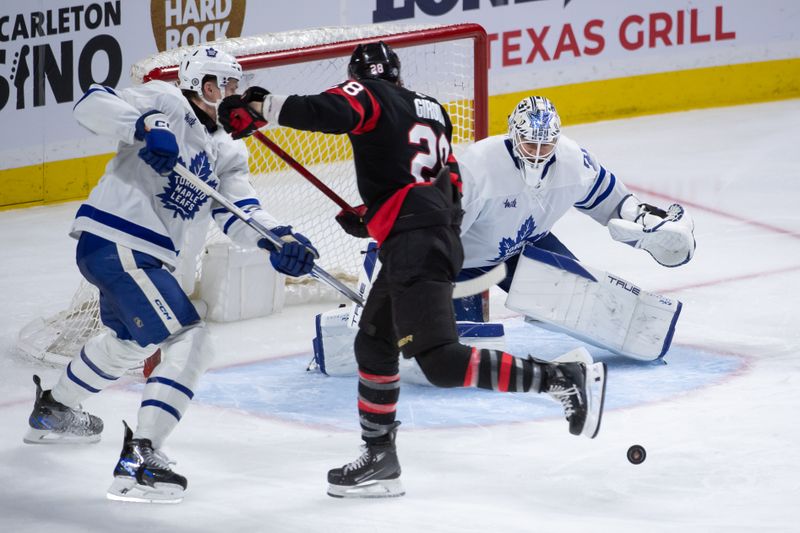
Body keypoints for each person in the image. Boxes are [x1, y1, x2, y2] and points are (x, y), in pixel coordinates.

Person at [218, 41, 607, 499]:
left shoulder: (370, 93)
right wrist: (377, 216)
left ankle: (561, 380)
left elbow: (332, 110)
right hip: (429, 235)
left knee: (441, 360)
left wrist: (262, 107)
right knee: (374, 341)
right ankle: (380, 456)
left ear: (361, 76)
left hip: (416, 244)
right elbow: (449, 185)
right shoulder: (434, 112)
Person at [23, 45, 318, 503]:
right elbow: (92, 102)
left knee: (132, 340)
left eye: (236, 85)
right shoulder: (165, 99)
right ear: (199, 85)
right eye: (224, 84)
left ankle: (54, 410)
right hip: (121, 240)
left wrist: (275, 241)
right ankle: (141, 458)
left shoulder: (227, 149)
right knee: (191, 338)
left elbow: (239, 210)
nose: (232, 93)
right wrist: (144, 125)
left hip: (137, 255)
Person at [452, 96, 696, 334]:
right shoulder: (479, 166)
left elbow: (612, 200)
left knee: (583, 303)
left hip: (522, 249)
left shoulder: (573, 161)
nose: (537, 153)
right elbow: (440, 232)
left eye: (545, 145)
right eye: (529, 144)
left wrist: (645, 221)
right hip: (462, 264)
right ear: (513, 134)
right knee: (461, 342)